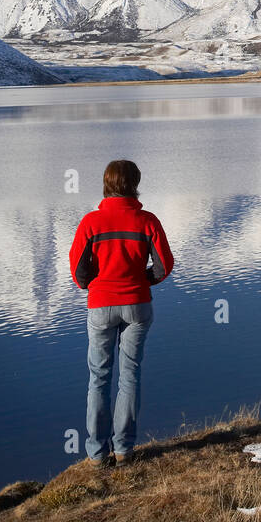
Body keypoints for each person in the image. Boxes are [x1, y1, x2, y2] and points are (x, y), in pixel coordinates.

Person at [68, 160, 174, 466]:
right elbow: (164, 264)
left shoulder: (91, 222)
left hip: (101, 305)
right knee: (130, 376)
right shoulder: (147, 221)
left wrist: (93, 285)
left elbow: (77, 269)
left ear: (106, 184)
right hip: (138, 305)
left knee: (99, 378)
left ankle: (97, 454)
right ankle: (125, 449)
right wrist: (144, 280)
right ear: (135, 184)